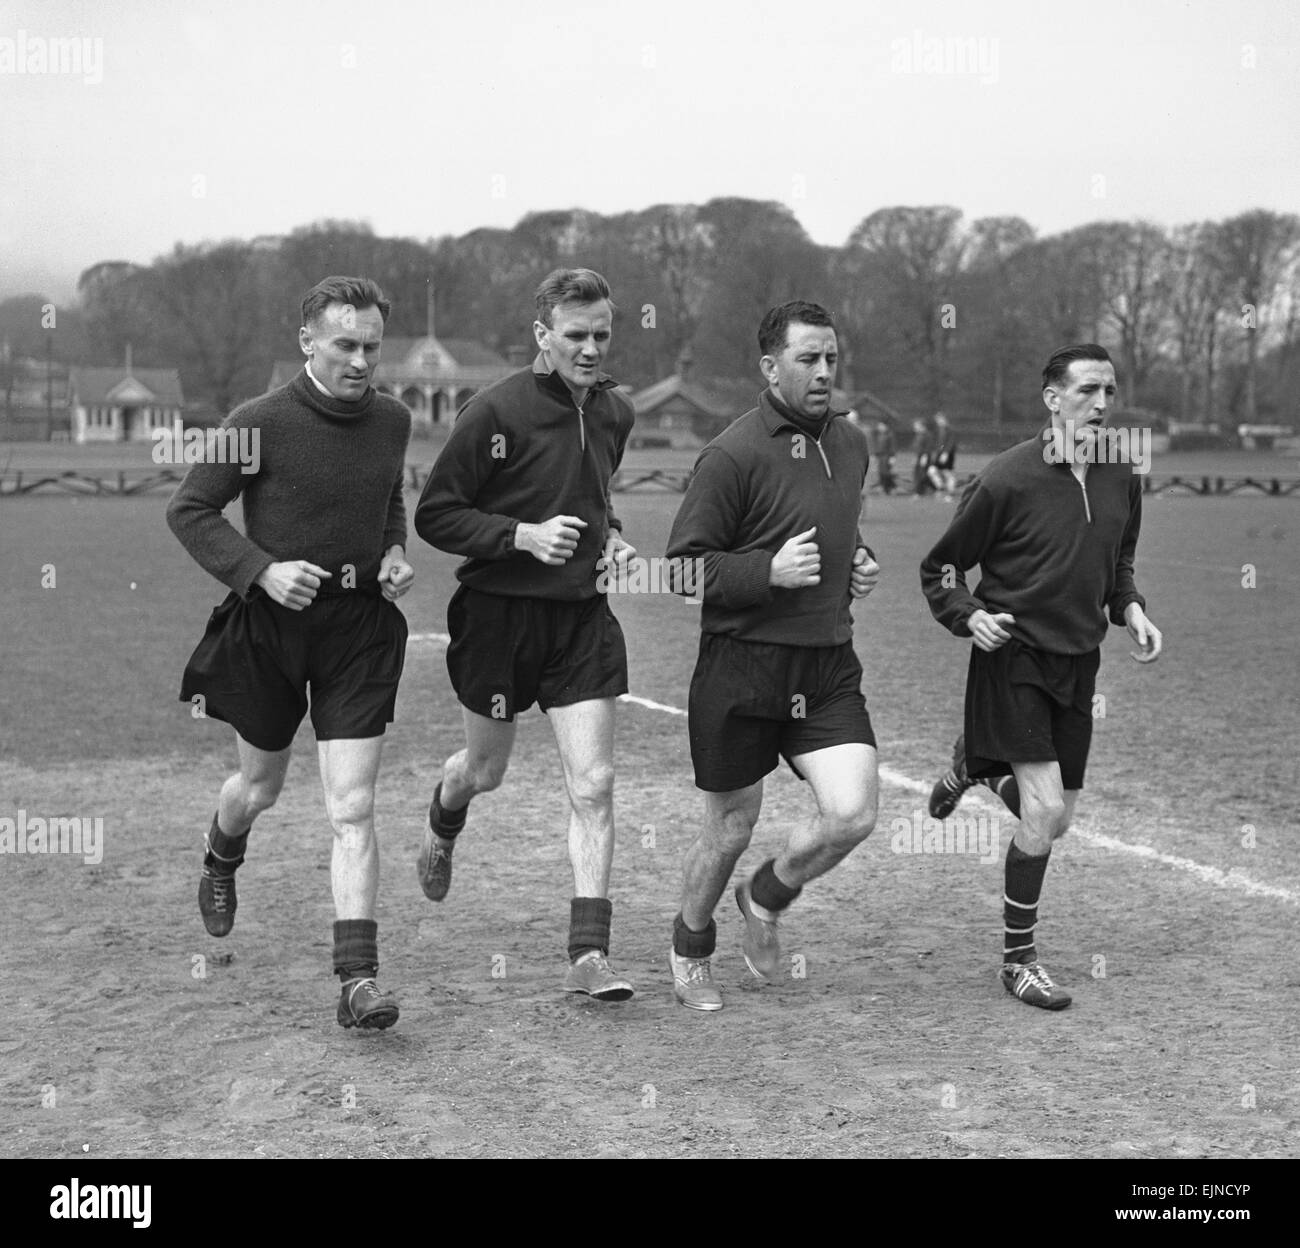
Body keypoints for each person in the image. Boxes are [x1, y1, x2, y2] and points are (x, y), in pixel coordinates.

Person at [167, 275, 414, 1030]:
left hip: (359, 631)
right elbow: (189, 509)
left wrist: (395, 550)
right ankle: (222, 850)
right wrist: (260, 570)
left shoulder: (394, 420)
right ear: (307, 341)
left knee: (354, 804)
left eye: (371, 346)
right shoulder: (258, 421)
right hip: (270, 631)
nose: (361, 360)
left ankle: (357, 981)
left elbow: (386, 500)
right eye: (345, 345)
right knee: (259, 787)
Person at [412, 267, 638, 1002]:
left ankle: (589, 954)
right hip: (499, 622)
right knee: (486, 772)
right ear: (542, 335)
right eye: (575, 335)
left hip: (580, 621)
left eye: (602, 333)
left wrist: (616, 540)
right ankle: (446, 815)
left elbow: (595, 498)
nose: (591, 348)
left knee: (595, 783)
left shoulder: (615, 413)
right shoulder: (493, 412)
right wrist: (519, 536)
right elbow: (437, 516)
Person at [919, 343, 1162, 1010]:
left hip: (1079, 660)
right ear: (1052, 399)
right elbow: (941, 569)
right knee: (1046, 809)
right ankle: (1018, 960)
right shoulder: (1004, 479)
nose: (1101, 404)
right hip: (1013, 658)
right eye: (1086, 391)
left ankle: (976, 766)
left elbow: (1120, 559)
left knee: (1055, 819)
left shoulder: (1121, 474)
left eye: (1108, 391)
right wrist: (970, 616)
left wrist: (1131, 608)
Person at [663, 300, 882, 1011]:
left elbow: (838, 524)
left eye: (831, 359)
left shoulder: (852, 444)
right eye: (808, 360)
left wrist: (861, 561)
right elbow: (683, 571)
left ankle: (766, 896)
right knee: (728, 829)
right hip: (742, 667)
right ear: (770, 367)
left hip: (825, 665)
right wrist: (765, 572)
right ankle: (690, 948)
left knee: (852, 815)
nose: (824, 373)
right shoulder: (730, 453)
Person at [927, 411, 958, 499]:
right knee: (931, 471)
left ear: (945, 419)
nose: (939, 421)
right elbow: (938, 443)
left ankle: (950, 493)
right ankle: (941, 488)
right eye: (937, 420)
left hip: (947, 454)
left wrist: (946, 453)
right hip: (939, 454)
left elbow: (951, 442)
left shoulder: (950, 430)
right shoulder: (938, 430)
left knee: (947, 473)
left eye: (940, 419)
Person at [872, 417, 898, 494]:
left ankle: (890, 487)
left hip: (887, 456)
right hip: (880, 456)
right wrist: (875, 455)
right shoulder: (879, 435)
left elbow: (893, 446)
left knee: (886, 473)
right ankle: (886, 488)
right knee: (881, 473)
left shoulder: (890, 435)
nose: (879, 427)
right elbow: (877, 446)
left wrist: (892, 457)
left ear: (885, 426)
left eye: (881, 425)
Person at [910, 416, 935, 496]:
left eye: (916, 426)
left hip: (924, 457)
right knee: (918, 474)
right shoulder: (919, 435)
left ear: (922, 426)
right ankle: (920, 491)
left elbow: (928, 447)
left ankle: (920, 491)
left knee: (922, 474)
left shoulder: (927, 435)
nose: (914, 427)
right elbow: (917, 447)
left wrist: (924, 457)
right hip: (918, 456)